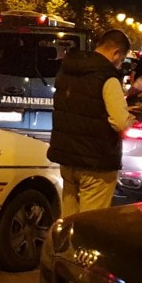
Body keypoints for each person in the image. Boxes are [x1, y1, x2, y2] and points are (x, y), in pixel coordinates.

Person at [47, 29, 135, 217]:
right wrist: (131, 120)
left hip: (67, 160)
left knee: (69, 221)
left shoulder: (67, 70)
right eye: (122, 59)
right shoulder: (107, 77)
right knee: (90, 223)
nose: (120, 64)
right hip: (96, 164)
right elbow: (120, 122)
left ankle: (64, 239)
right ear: (116, 53)